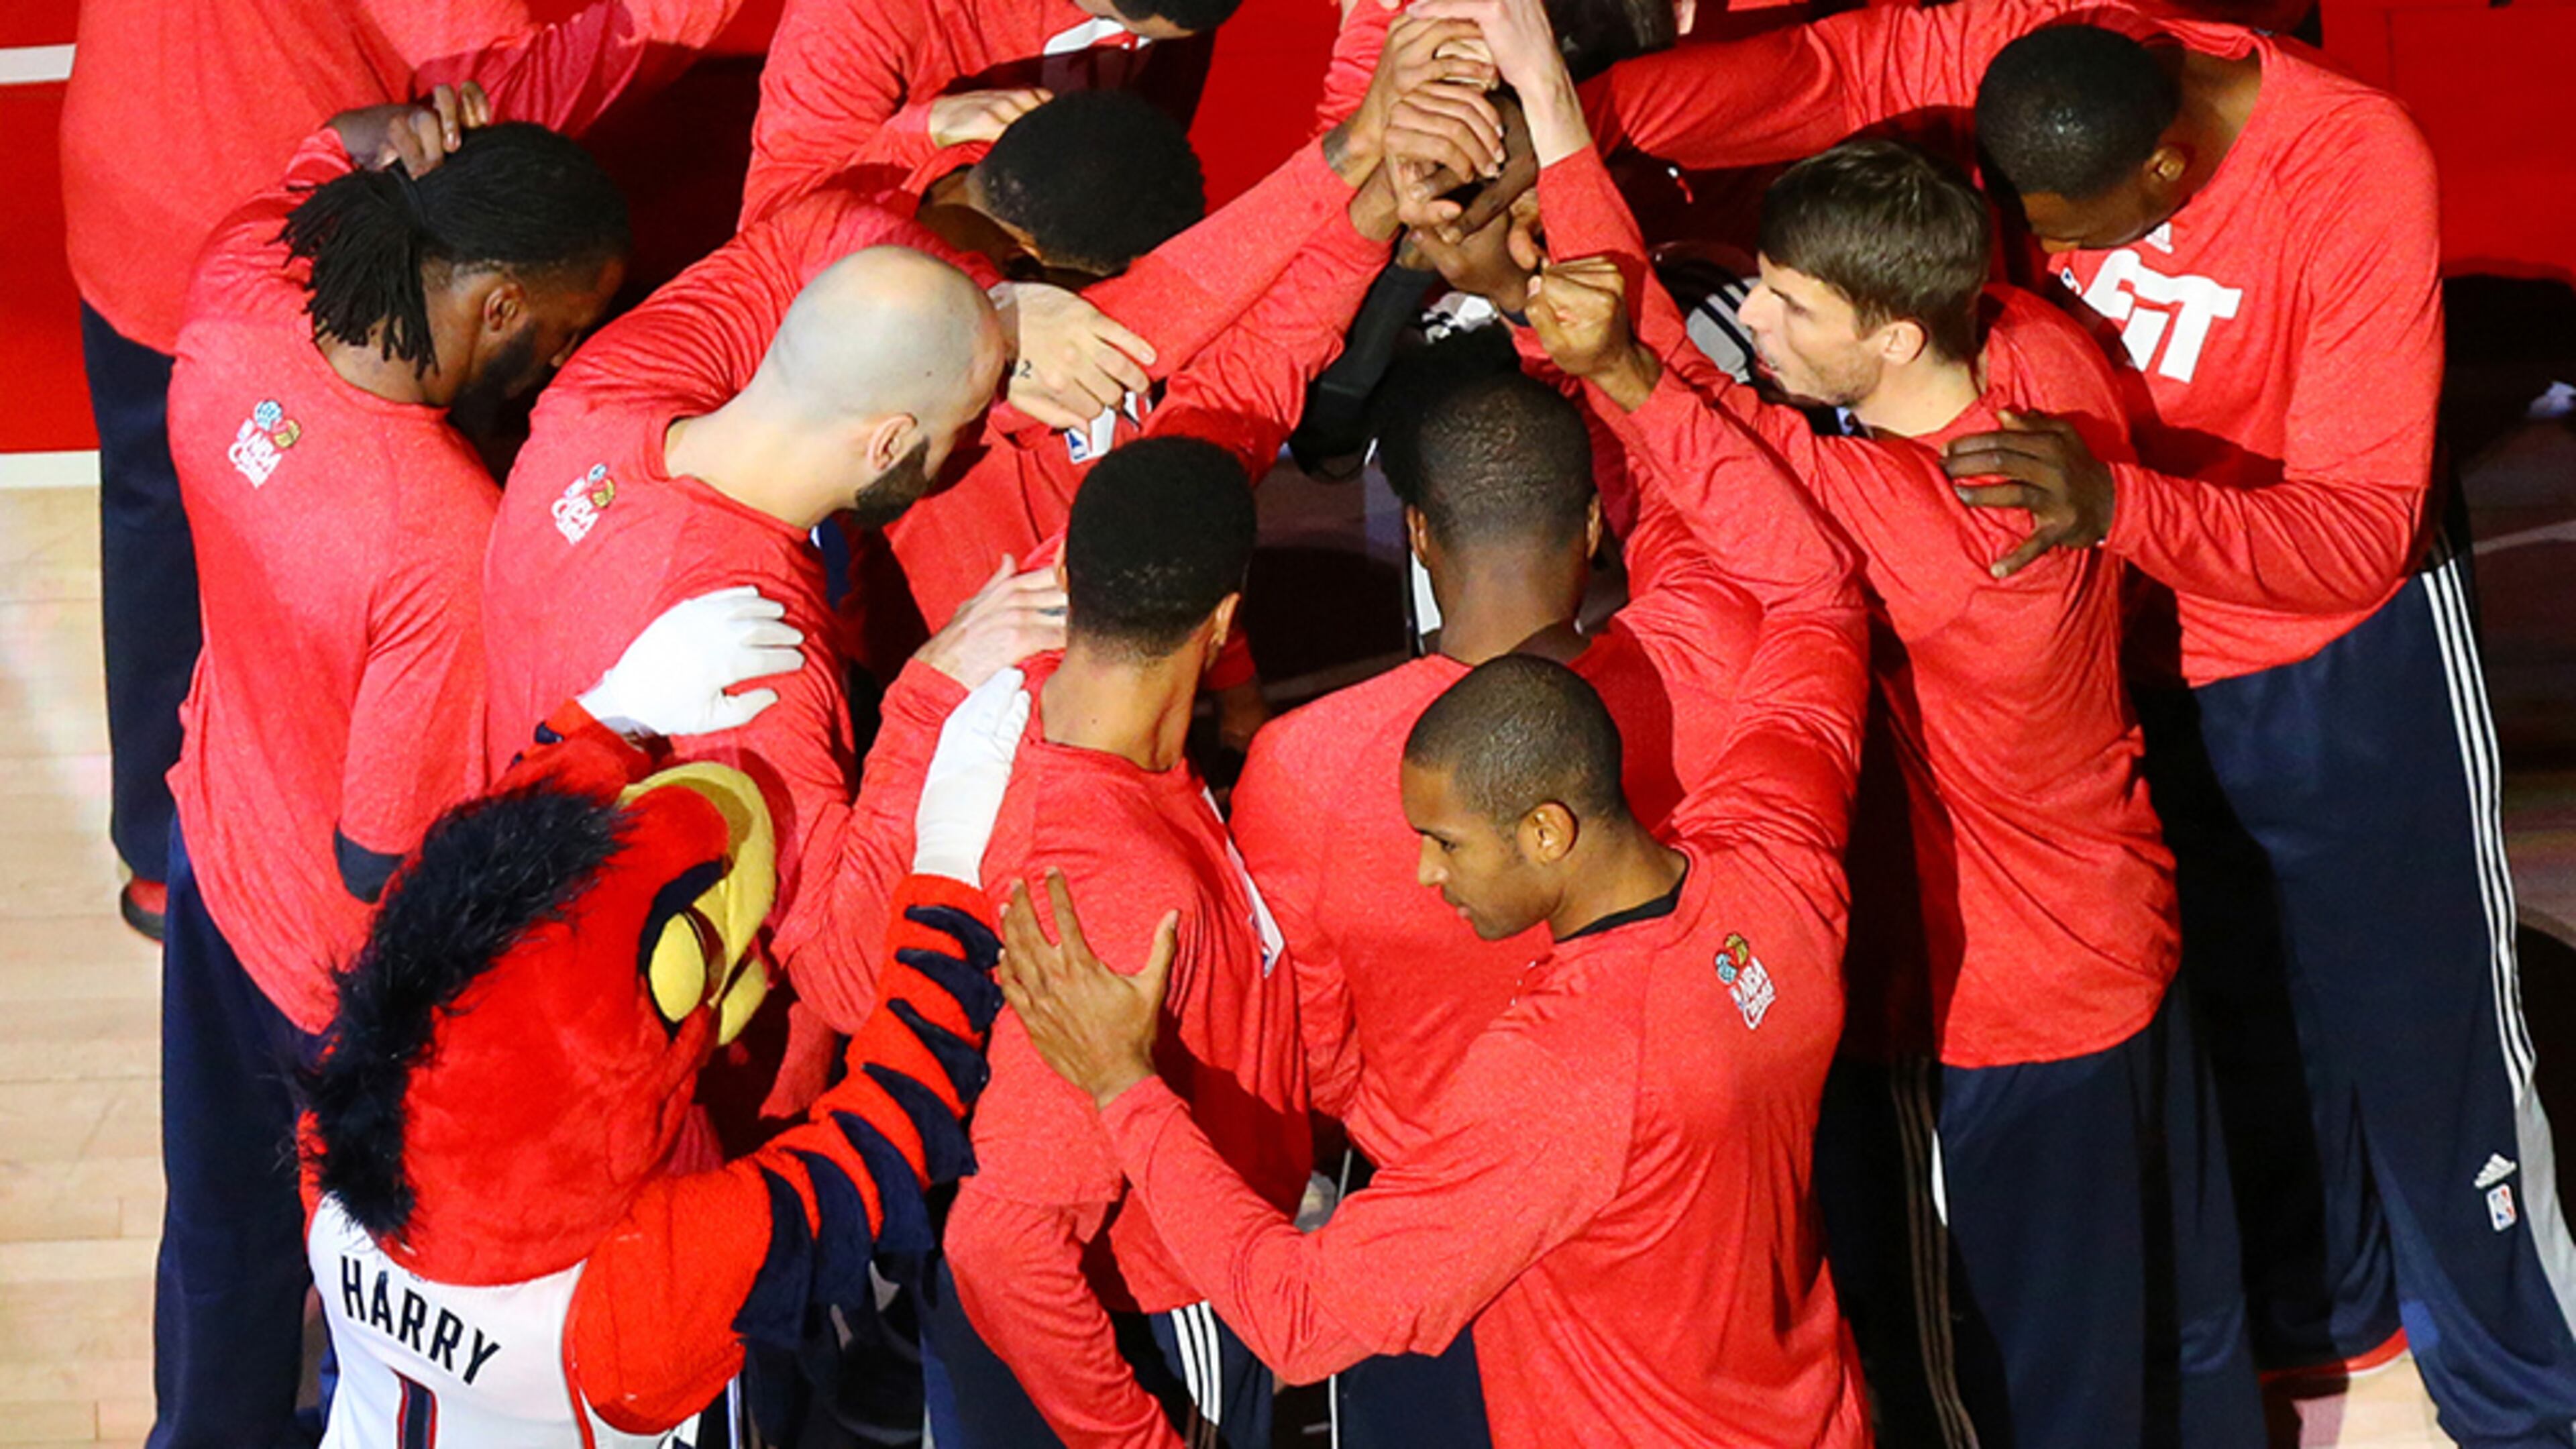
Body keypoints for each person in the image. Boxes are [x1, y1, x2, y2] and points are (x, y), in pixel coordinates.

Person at [1525, 48, 2263, 1434]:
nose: (1766, 322)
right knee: (2185, 1329)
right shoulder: (2042, 369)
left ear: (1898, 336)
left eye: (1798, 308)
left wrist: (1604, 327)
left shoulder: (1886, 517)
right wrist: (1545, 96)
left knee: (2019, 1387)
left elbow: (1682, 401)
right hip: (2126, 943)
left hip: (1993, 1017)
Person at [998, 623, 1874, 1447]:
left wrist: (1123, 1085)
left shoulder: (1568, 1074)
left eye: (1445, 843)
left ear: (1545, 831)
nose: (1426, 872)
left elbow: (1302, 1319)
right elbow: (1814, 628)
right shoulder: (1776, 866)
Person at [154, 100, 632, 1449]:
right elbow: (385, 861)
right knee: (363, 1315)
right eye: (567, 319)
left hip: (213, 857)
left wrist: (366, 133)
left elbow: (308, 168)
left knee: (215, 1242)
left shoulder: (238, 288)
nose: (568, 355)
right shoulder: (442, 538)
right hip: (323, 972)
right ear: (492, 302)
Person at [60, 0, 742, 940]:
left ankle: (161, 858)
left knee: (177, 539)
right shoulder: (439, 531)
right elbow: (490, 98)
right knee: (379, 611)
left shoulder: (231, 286)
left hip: (144, 191)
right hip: (314, 259)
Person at [1230, 364, 1760, 1445]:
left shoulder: (1306, 767)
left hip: (1437, 1240)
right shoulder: (1710, 663)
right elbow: (1726, 528)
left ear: (1418, 534)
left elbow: (1310, 1044)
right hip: (1691, 1226)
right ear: (1594, 526)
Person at [303, 657, 1028, 1447]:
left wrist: (604, 720)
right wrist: (951, 870)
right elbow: (882, 1140)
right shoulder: (630, 1300)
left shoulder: (332, 1135)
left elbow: (449, 926)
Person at [480, 223, 1043, 1063]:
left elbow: (785, 241)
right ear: (889, 443)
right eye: (961, 428)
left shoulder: (597, 398)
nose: (967, 445)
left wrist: (1001, 306)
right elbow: (844, 974)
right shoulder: (757, 654)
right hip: (670, 1068)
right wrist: (930, 691)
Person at [839, 437, 1300, 1448]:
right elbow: (1004, 1246)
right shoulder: (1114, 879)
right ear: (1224, 623)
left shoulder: (1006, 715)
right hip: (1144, 1313)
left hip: (1010, 1309)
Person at [741, 0, 1244, 227]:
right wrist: (927, 131)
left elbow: (1145, 158)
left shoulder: (1173, 15)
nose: (1134, 43)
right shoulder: (860, 11)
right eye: (1106, 17)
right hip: (902, 320)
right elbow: (769, 228)